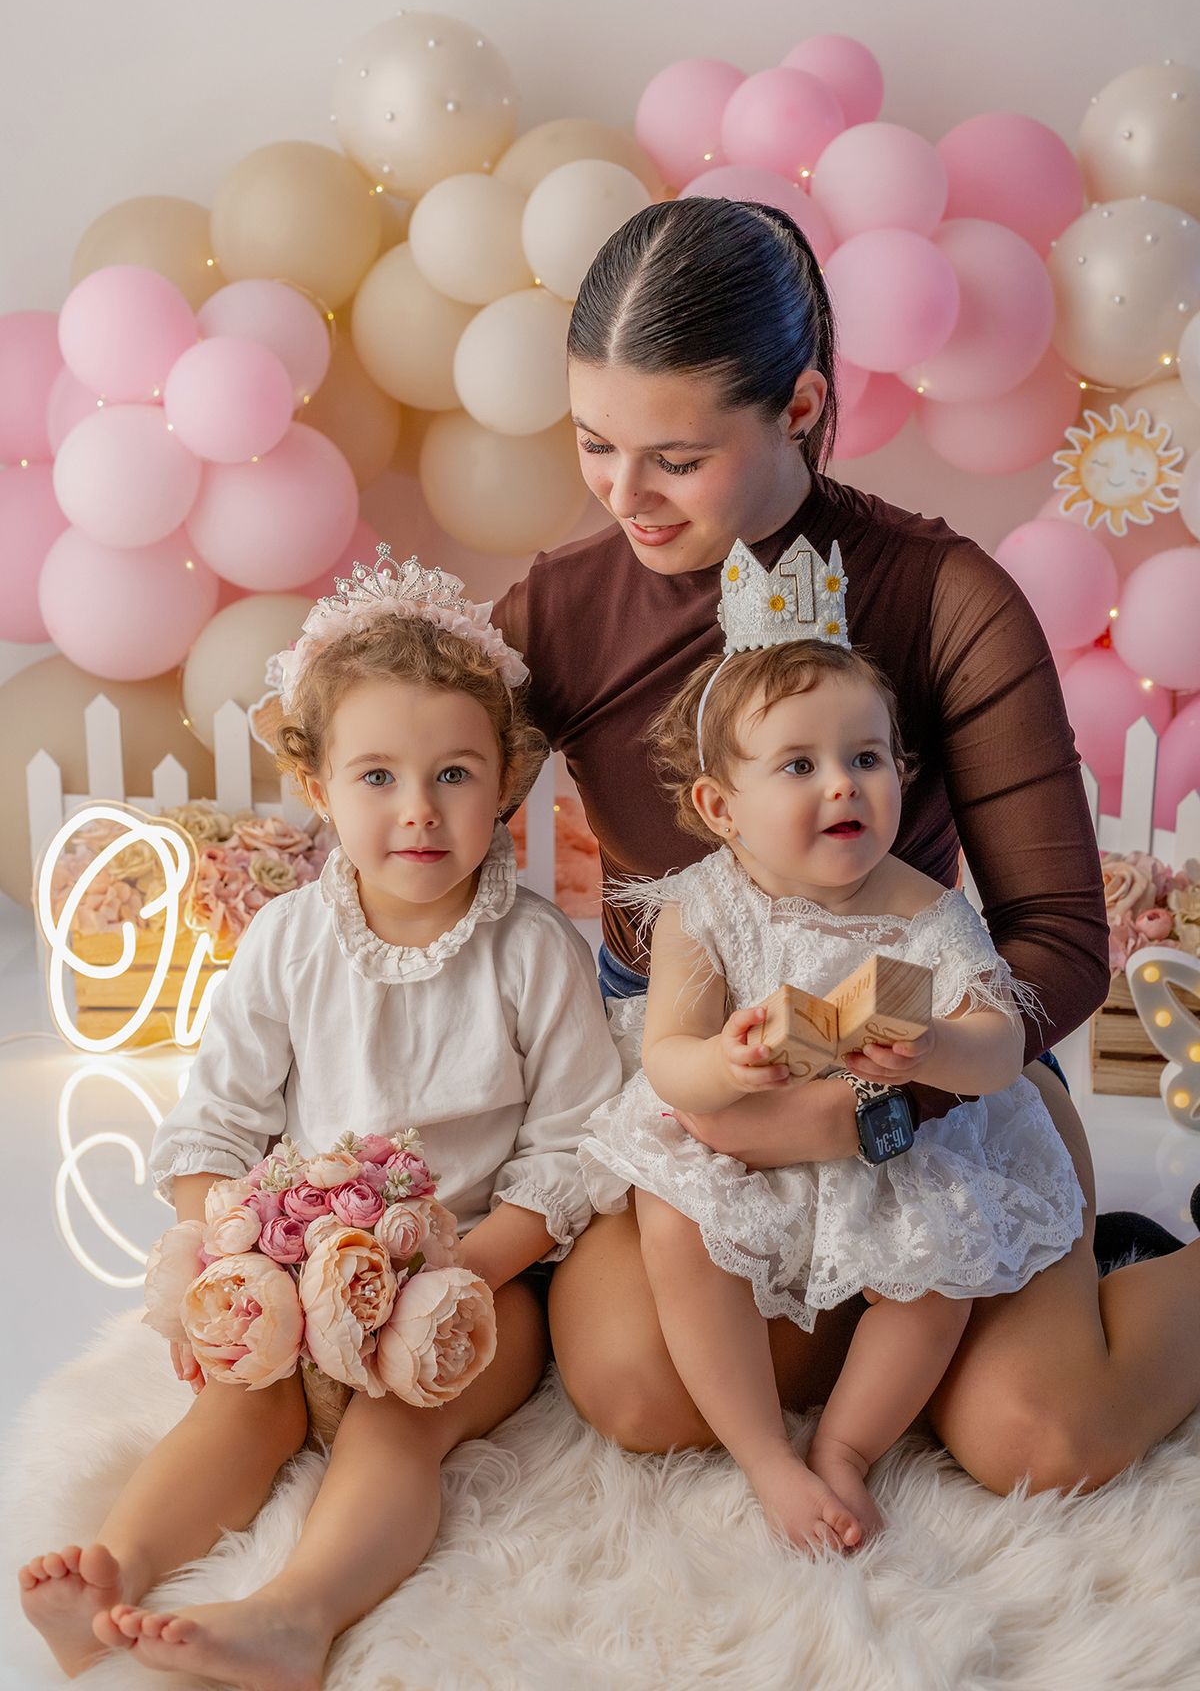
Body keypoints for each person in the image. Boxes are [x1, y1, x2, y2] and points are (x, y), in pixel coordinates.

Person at [494, 196, 1200, 1495]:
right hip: (700, 1072)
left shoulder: (947, 597)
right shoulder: (561, 607)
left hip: (928, 1068)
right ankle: (892, 1337)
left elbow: (1058, 943)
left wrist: (883, 1105)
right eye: (597, 445)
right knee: (645, 1389)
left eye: (676, 457)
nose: (624, 496)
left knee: (1035, 1438)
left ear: (803, 408)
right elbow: (418, 818)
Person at [18, 550, 622, 1689]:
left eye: (453, 774)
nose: (418, 811)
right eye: (378, 777)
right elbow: (213, 1124)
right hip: (301, 1265)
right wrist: (242, 1243)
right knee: (241, 1406)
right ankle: (118, 1568)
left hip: (473, 1281)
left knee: (401, 1417)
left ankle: (298, 1612)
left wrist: (464, 1264)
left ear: (505, 782)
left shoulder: (533, 951)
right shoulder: (290, 942)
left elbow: (573, 1150)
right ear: (315, 783)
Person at [579, 591, 1083, 1552]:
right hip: (744, 1143)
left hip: (894, 1153)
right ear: (721, 809)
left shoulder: (927, 912)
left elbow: (995, 1046)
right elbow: (669, 1061)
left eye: (866, 758)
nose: (843, 787)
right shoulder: (701, 906)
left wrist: (935, 1048)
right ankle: (764, 1450)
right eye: (799, 766)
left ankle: (848, 1448)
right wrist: (725, 1060)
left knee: (947, 1268)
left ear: (901, 770)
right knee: (675, 1215)